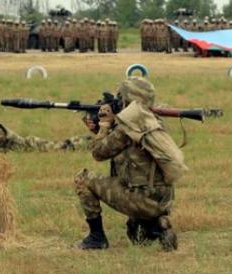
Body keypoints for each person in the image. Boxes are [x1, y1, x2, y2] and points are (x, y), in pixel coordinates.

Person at [73, 77, 186, 252]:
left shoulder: (127, 128)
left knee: (83, 179)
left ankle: (96, 238)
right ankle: (159, 224)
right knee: (136, 235)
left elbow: (98, 153)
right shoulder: (153, 121)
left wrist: (104, 126)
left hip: (141, 198)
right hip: (162, 199)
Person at [0, 108, 90, 153]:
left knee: (60, 147)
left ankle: (84, 142)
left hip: (30, 145)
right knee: (59, 145)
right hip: (29, 144)